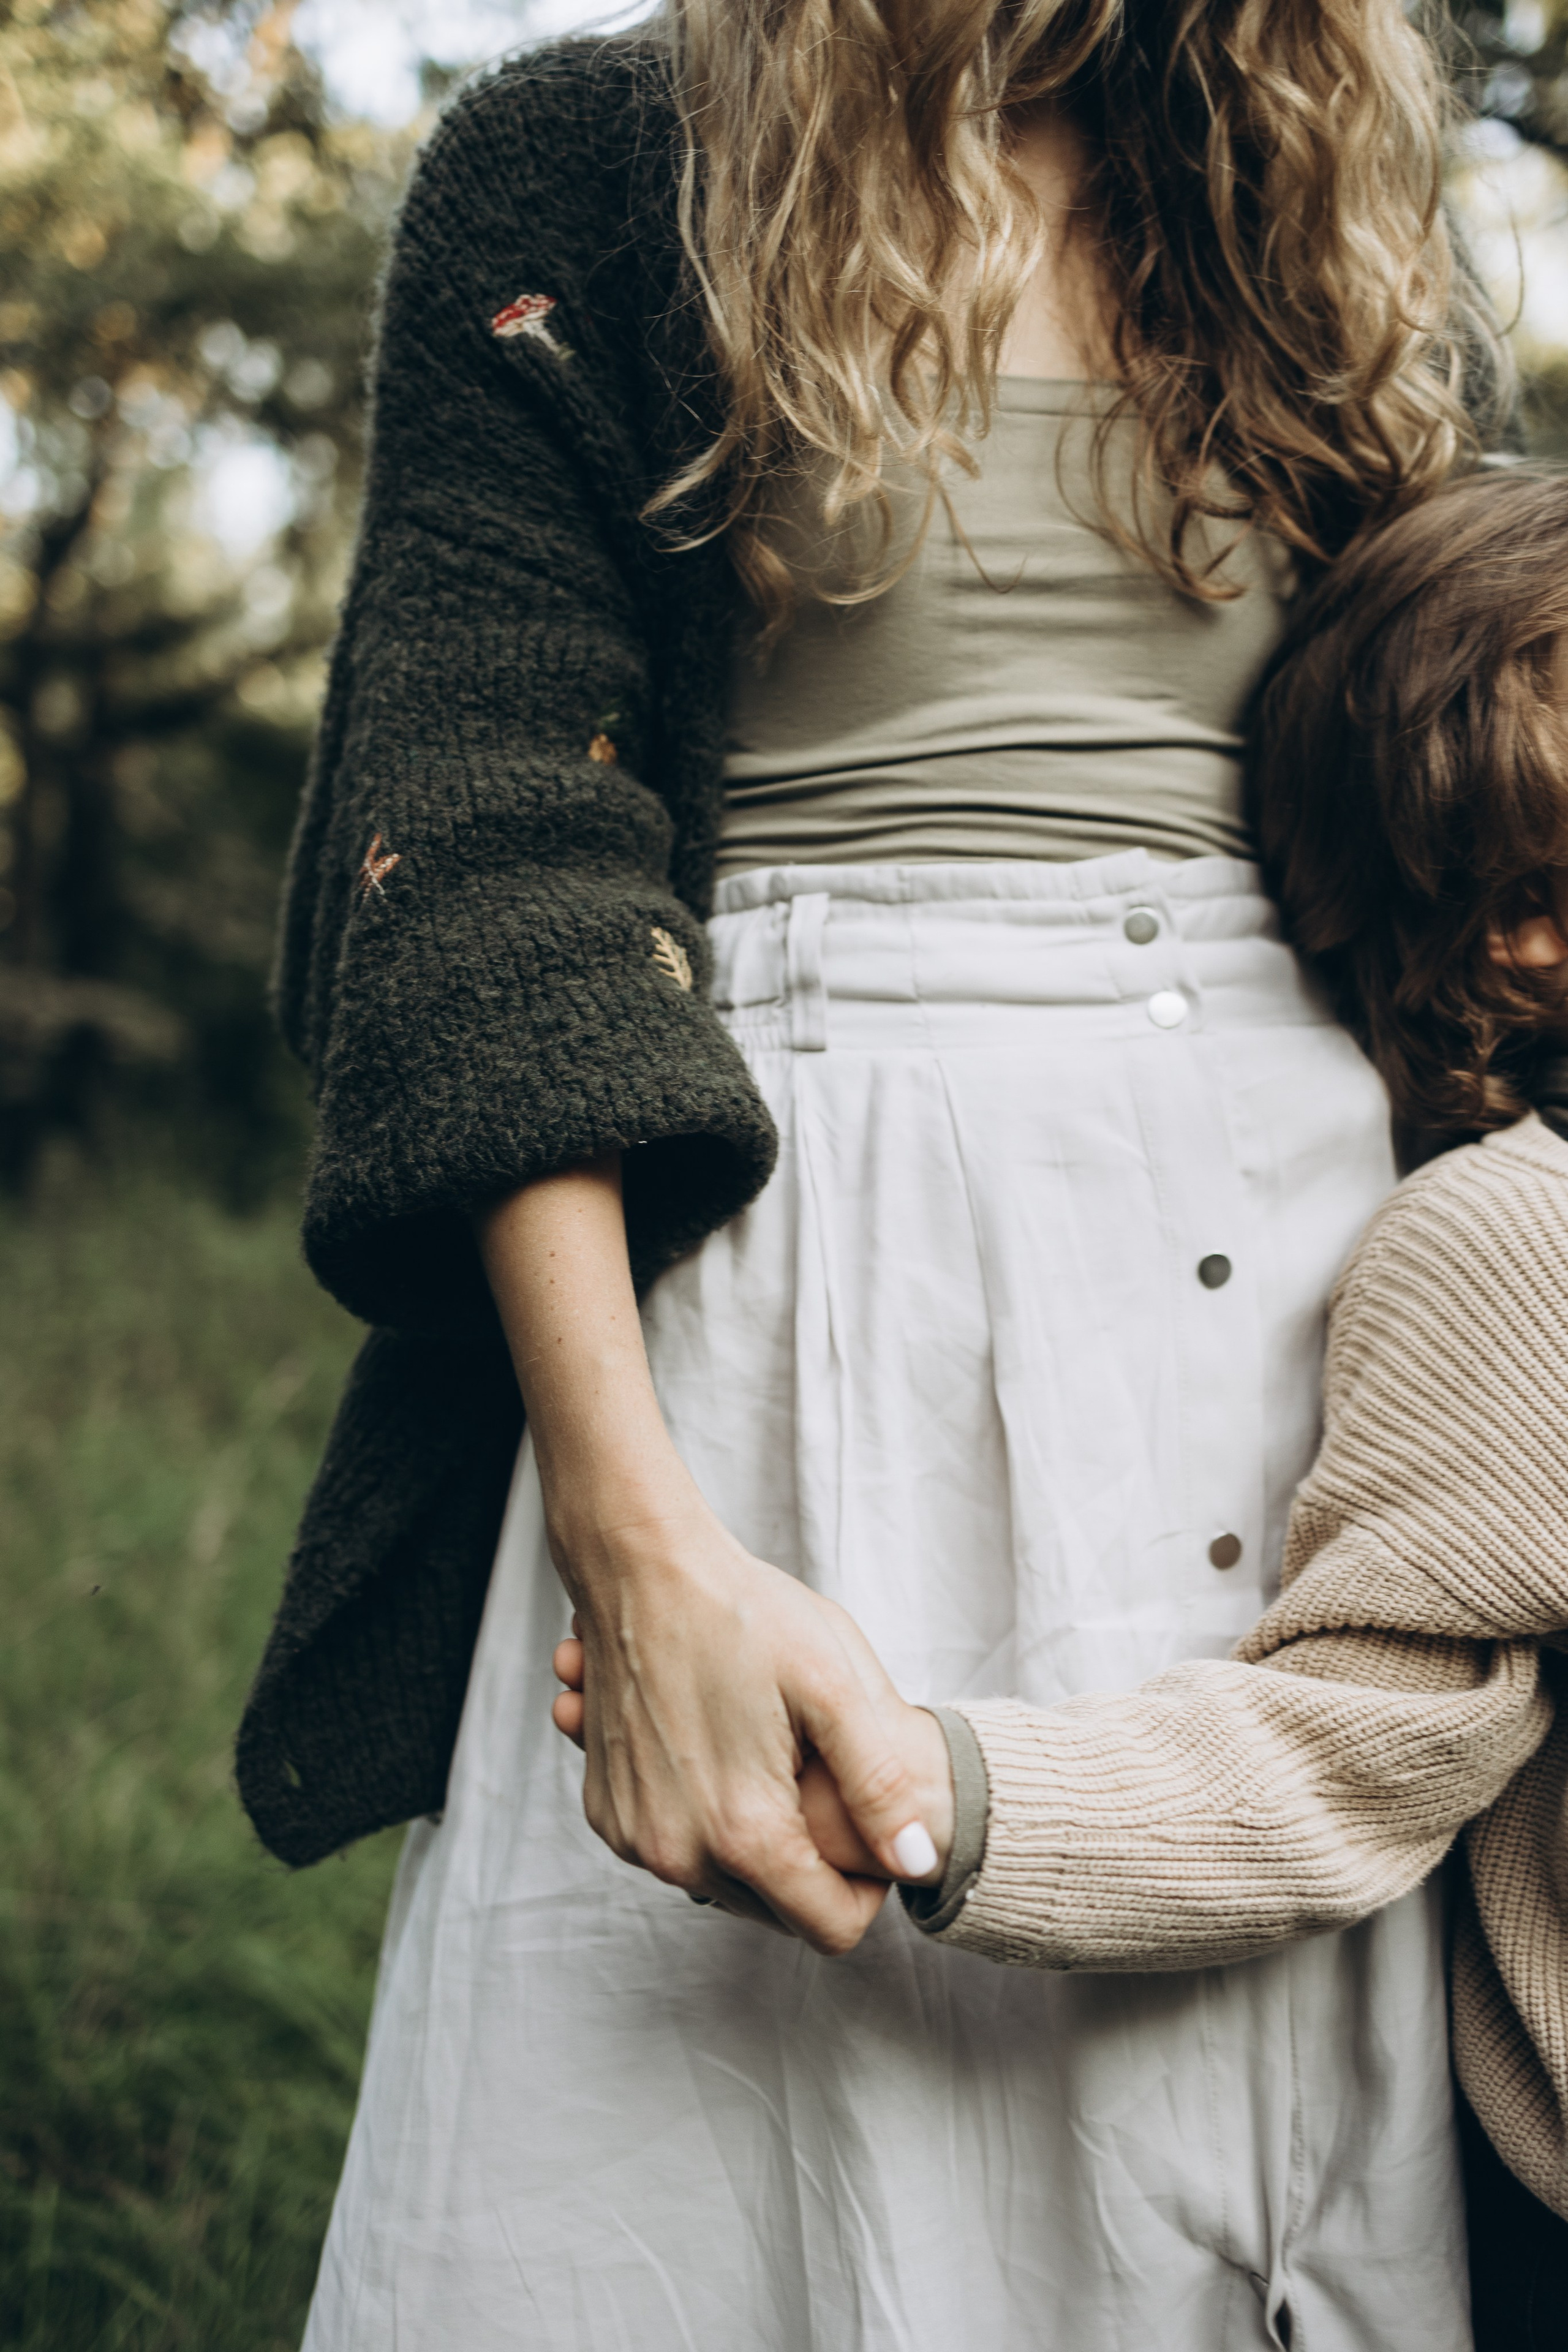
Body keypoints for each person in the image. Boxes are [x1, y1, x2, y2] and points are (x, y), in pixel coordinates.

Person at [238, 1, 1509, 2342]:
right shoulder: (599, 163)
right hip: (788, 1266)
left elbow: (1483, 775)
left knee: (1205, 2148)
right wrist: (639, 1542)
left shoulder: (1316, 175)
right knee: (693, 2157)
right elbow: (493, 858)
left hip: (1299, 1291)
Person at [637, 467, 1566, 2350]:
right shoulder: (1513, 1241)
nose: (1529, 942)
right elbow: (1356, 1740)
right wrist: (942, 1795)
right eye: (1498, 885)